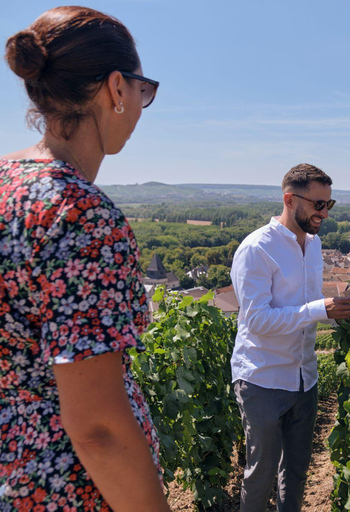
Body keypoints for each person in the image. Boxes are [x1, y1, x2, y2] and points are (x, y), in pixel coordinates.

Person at [0, 6, 168, 511]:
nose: (142, 105)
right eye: (144, 90)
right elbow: (98, 429)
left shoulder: (6, 181)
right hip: (62, 490)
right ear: (117, 88)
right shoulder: (81, 215)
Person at [230, 163, 350, 511]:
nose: (324, 213)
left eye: (329, 205)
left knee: (297, 473)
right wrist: (321, 310)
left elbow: (306, 309)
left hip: (305, 378)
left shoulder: (313, 246)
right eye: (318, 204)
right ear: (289, 199)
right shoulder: (257, 249)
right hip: (263, 378)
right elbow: (256, 321)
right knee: (261, 475)